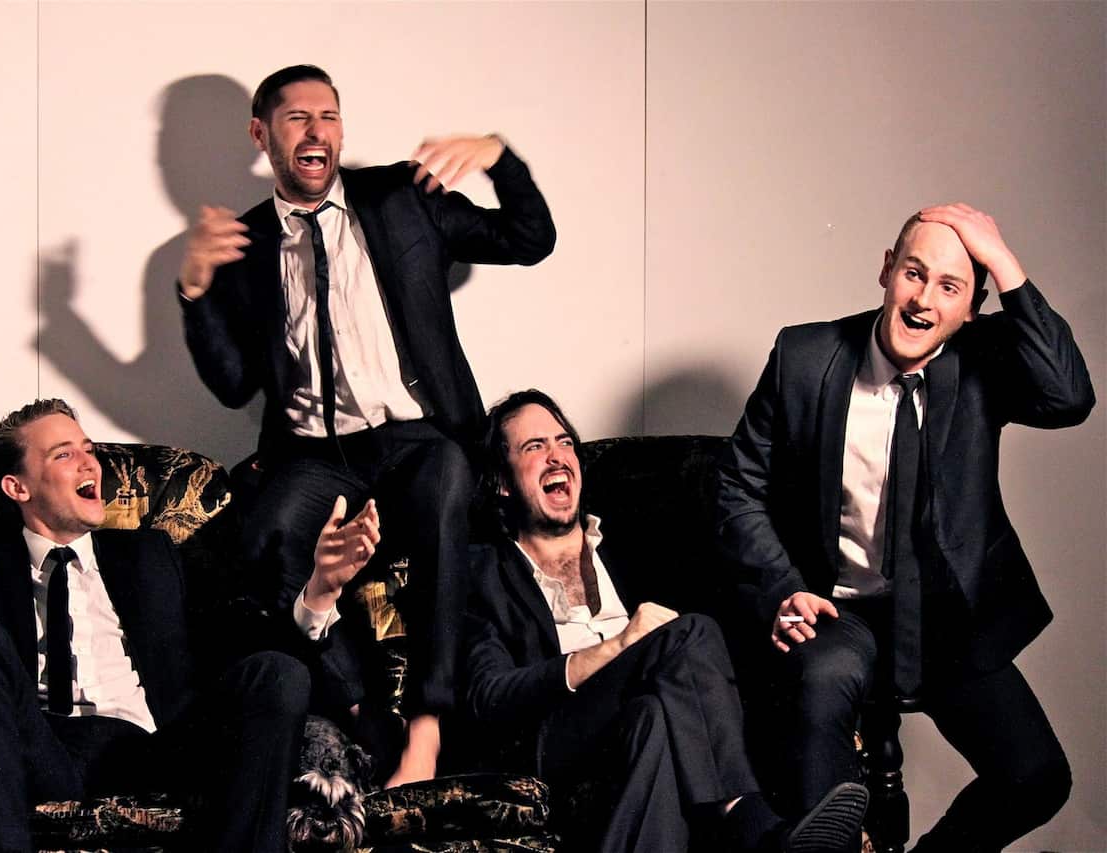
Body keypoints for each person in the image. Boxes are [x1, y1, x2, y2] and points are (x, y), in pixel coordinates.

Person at [177, 63, 556, 787]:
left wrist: (499, 157)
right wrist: (194, 290)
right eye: (296, 118)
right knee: (267, 536)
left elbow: (531, 238)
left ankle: (427, 725)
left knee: (448, 478)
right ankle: (361, 716)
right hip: (317, 453)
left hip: (416, 436)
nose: (317, 131)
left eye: (329, 116)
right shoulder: (248, 241)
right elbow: (232, 384)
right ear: (262, 135)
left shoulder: (404, 197)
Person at [715, 204, 1095, 851]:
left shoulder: (982, 361)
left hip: (946, 617)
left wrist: (1003, 261)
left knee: (1037, 777)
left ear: (971, 307)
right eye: (913, 274)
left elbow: (1069, 394)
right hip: (839, 609)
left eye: (949, 287)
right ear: (887, 270)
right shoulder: (805, 357)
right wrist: (782, 587)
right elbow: (736, 485)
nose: (923, 300)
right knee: (823, 688)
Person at [0, 399, 315, 852]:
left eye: (88, 450)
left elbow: (235, 638)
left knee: (276, 673)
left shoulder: (151, 555)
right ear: (18, 487)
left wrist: (319, 594)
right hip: (41, 750)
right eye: (65, 455)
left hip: (152, 748)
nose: (90, 464)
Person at [462, 389, 869, 853]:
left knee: (652, 716)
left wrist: (781, 608)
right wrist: (616, 647)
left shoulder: (636, 545)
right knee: (688, 633)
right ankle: (749, 822)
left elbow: (720, 631)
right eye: (534, 447)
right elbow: (489, 696)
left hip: (638, 729)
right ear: (503, 481)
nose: (557, 457)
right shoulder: (482, 573)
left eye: (564, 442)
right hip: (551, 740)